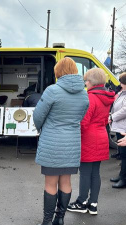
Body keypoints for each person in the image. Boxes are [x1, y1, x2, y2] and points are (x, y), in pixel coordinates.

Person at [33, 57, 89, 225]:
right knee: (66, 181)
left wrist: (42, 128)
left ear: (58, 72)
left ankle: (47, 221)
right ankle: (60, 219)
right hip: (72, 143)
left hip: (52, 142)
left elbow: (38, 116)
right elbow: (81, 117)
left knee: (50, 183)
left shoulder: (52, 90)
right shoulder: (84, 94)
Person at [67, 68, 115, 215]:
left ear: (92, 82)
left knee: (85, 173)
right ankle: (93, 204)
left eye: (86, 80)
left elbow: (84, 122)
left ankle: (81, 202)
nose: (85, 83)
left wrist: (74, 135)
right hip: (101, 135)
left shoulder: (90, 97)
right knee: (96, 173)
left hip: (89, 137)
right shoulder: (106, 97)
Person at [108, 72, 126, 188]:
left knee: (124, 155)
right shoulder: (122, 93)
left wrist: (112, 117)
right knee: (122, 153)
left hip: (123, 127)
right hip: (120, 126)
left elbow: (125, 110)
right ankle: (122, 175)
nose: (119, 83)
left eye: (121, 81)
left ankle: (124, 178)